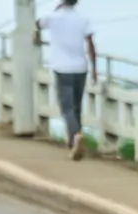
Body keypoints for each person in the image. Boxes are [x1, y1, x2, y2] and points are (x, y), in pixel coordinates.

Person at [35, 0, 98, 161]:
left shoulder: (53, 17)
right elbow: (91, 45)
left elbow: (38, 24)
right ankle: (74, 143)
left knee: (67, 108)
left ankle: (76, 136)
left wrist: (56, 8)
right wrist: (94, 69)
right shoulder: (83, 18)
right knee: (76, 107)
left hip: (62, 68)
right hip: (81, 68)